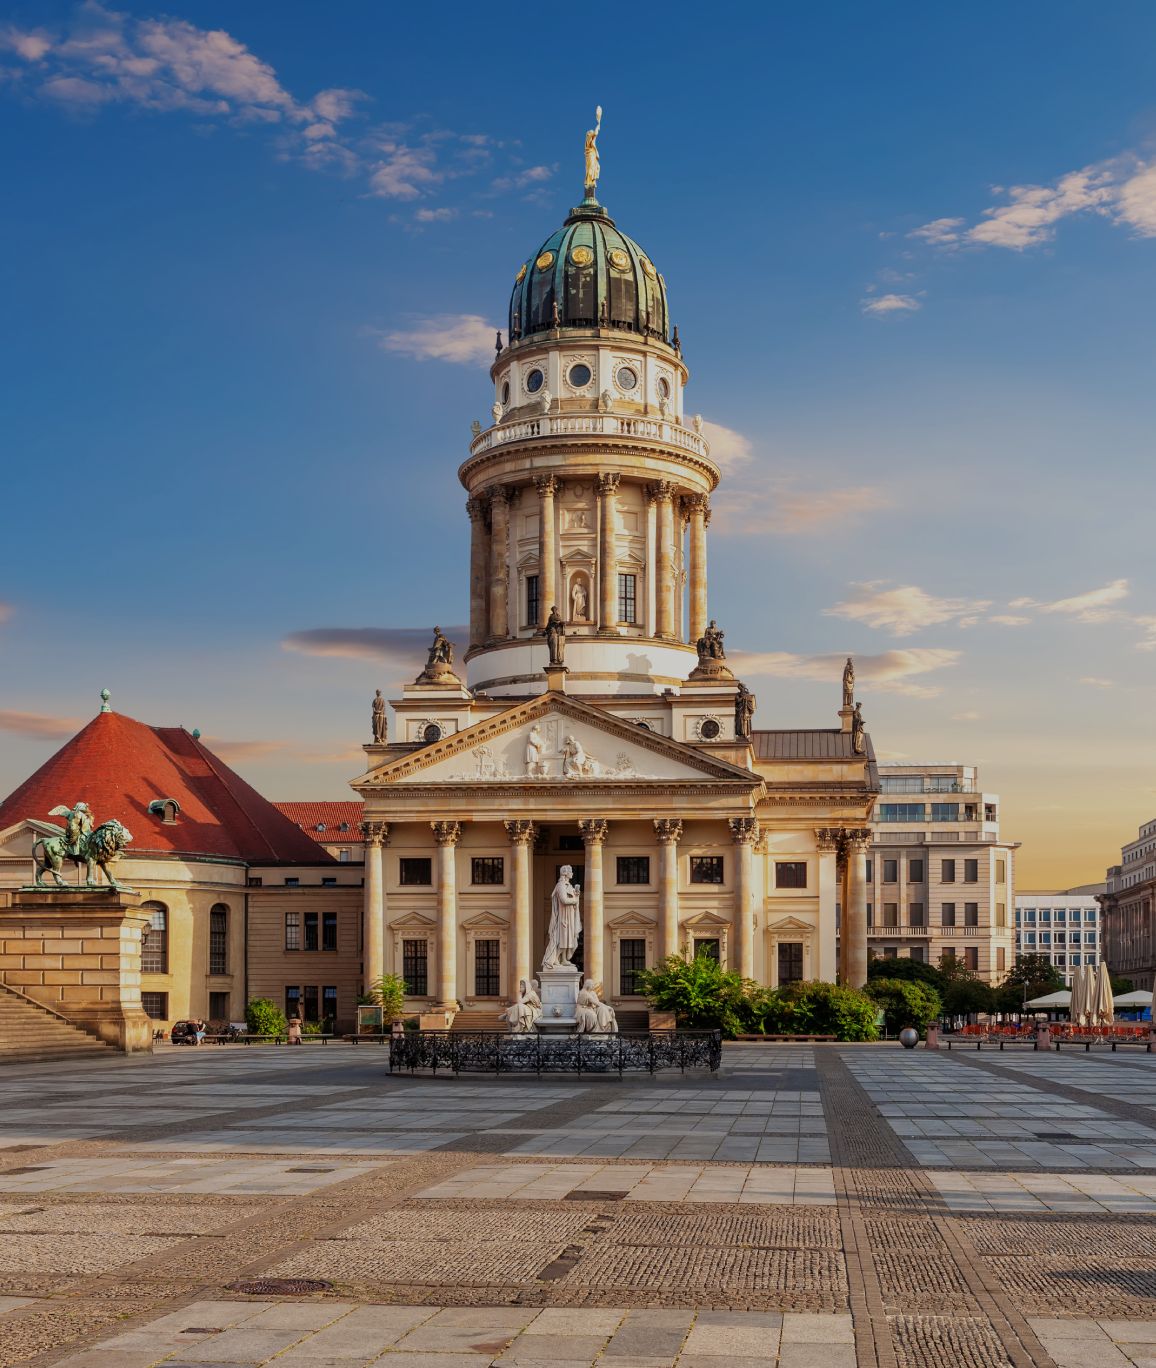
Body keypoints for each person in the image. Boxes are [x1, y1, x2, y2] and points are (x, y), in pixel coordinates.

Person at [543, 866, 581, 968]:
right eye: (571, 871)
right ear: (565, 873)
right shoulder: (560, 885)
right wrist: (575, 900)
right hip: (563, 916)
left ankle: (563, 959)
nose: (572, 873)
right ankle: (555, 959)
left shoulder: (569, 885)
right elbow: (564, 900)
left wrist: (576, 895)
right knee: (562, 938)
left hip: (569, 915)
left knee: (568, 938)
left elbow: (572, 900)